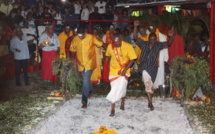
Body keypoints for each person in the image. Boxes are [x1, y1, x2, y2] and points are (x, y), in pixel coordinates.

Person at [133, 20, 175, 111]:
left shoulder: (158, 45)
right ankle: (151, 103)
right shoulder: (144, 44)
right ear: (149, 39)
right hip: (144, 67)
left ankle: (149, 100)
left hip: (153, 68)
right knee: (148, 83)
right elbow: (135, 37)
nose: (152, 41)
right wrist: (135, 27)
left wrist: (171, 37)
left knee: (150, 85)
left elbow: (168, 44)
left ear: (155, 39)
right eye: (151, 39)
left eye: (154, 39)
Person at [70, 26, 105, 108]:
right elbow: (72, 50)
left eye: (81, 35)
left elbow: (102, 44)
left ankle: (84, 101)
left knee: (85, 80)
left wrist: (109, 52)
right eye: (79, 35)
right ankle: (91, 90)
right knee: (86, 79)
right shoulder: (75, 39)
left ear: (85, 33)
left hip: (90, 63)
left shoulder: (91, 37)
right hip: (80, 64)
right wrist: (72, 59)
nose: (80, 37)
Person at [106, 34, 137, 116]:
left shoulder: (128, 46)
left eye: (118, 43)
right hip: (113, 71)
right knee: (114, 89)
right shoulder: (110, 46)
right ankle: (112, 109)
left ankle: (122, 102)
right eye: (115, 43)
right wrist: (109, 66)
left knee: (122, 89)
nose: (117, 45)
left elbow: (132, 59)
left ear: (121, 40)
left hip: (124, 71)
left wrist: (125, 70)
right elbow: (108, 56)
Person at [38, 25, 60, 89]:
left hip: (54, 53)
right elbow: (39, 46)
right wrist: (45, 43)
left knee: (54, 67)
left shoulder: (55, 35)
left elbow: (58, 46)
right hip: (46, 53)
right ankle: (45, 84)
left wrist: (58, 54)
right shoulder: (43, 36)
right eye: (50, 29)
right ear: (47, 29)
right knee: (46, 68)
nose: (52, 30)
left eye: (53, 28)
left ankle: (55, 82)